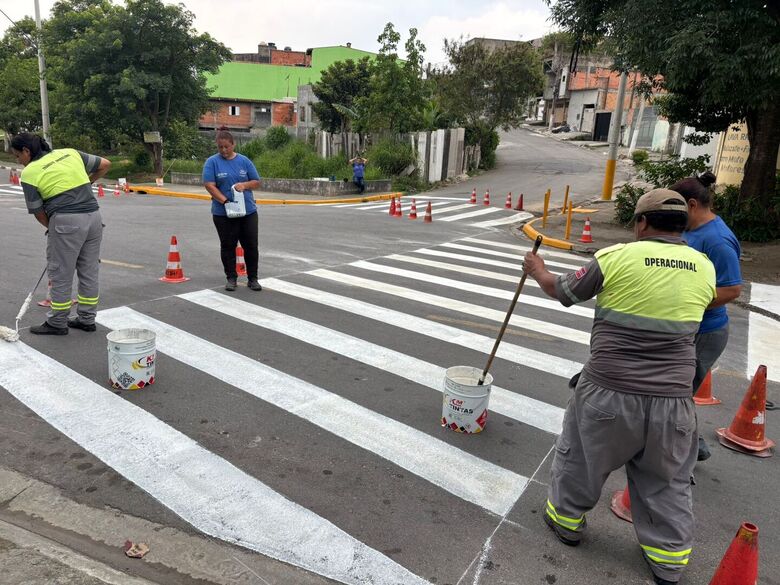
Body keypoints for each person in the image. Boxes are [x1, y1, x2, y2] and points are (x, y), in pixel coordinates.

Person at [523, 189, 716, 585]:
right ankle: (668, 561)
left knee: (581, 459)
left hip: (608, 391)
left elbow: (563, 291)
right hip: (673, 400)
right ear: (682, 225)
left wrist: (538, 268)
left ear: (642, 223)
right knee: (667, 481)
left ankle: (566, 522)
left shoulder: (615, 258)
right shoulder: (704, 267)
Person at [670, 171, 742, 462]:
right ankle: (693, 445)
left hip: (706, 332)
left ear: (691, 204)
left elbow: (732, 289)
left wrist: (690, 303)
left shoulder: (718, 240)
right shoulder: (690, 230)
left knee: (677, 394)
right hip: (688, 327)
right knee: (676, 393)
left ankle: (686, 453)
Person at [12, 133, 111, 336]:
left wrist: (55, 227)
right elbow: (105, 164)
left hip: (66, 220)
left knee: (60, 273)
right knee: (89, 270)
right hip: (93, 216)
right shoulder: (70, 153)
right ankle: (87, 319)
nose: (18, 161)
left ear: (26, 151)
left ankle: (58, 322)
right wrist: (86, 184)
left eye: (17, 156)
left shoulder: (30, 173)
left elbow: (39, 213)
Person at [203, 128, 262, 291]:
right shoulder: (212, 162)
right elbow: (209, 185)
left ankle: (253, 278)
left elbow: (257, 181)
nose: (223, 150)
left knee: (250, 245)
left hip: (247, 211)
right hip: (224, 213)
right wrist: (226, 201)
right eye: (220, 147)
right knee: (228, 245)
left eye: (226, 147)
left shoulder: (244, 161)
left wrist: (245, 185)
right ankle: (231, 278)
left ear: (233, 144)